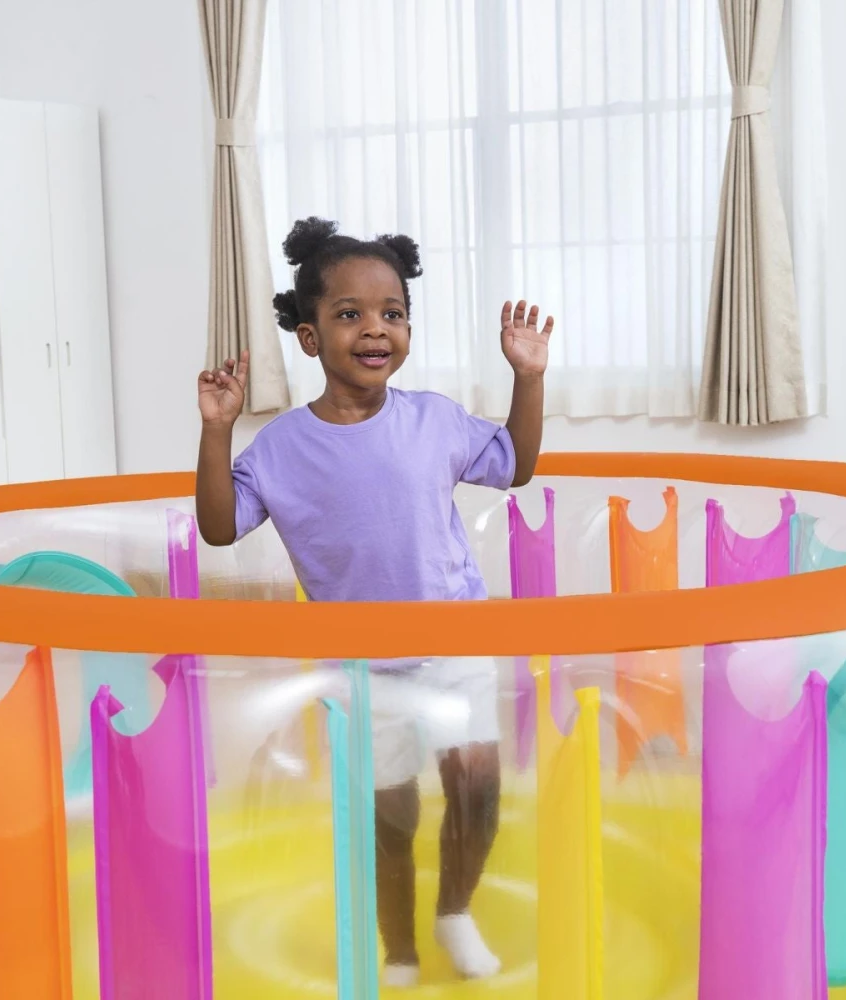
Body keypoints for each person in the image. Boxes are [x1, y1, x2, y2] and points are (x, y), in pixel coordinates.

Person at [195, 216, 551, 987]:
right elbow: (220, 528)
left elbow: (515, 465)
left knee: (477, 787)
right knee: (393, 821)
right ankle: (400, 949)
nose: (374, 329)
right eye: (349, 313)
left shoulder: (434, 419)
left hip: (454, 642)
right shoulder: (281, 447)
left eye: (392, 313)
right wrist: (217, 432)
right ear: (309, 337)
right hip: (365, 669)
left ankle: (455, 912)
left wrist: (528, 378)